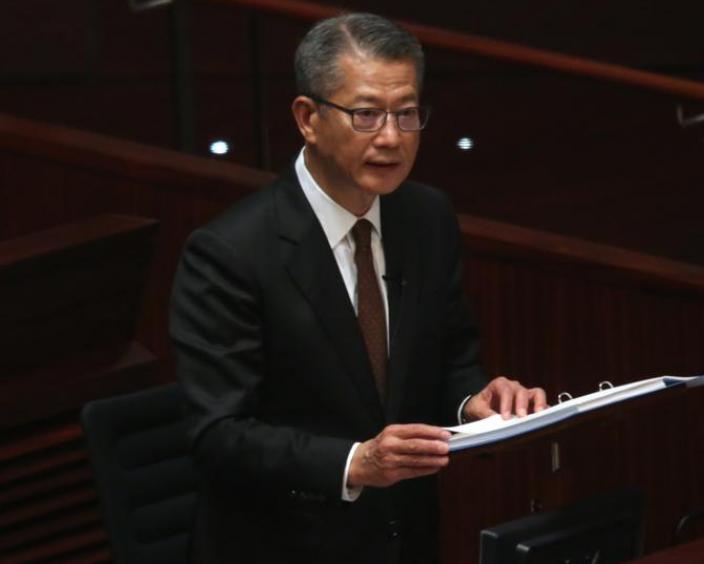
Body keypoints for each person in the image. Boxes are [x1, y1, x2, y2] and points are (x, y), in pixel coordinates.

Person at [170, 12, 547, 564]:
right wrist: (353, 462)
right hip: (284, 545)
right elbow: (218, 435)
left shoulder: (426, 216)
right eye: (366, 114)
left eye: (407, 113)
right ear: (308, 118)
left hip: (405, 539)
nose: (392, 138)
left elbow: (449, 360)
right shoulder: (230, 253)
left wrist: (475, 401)